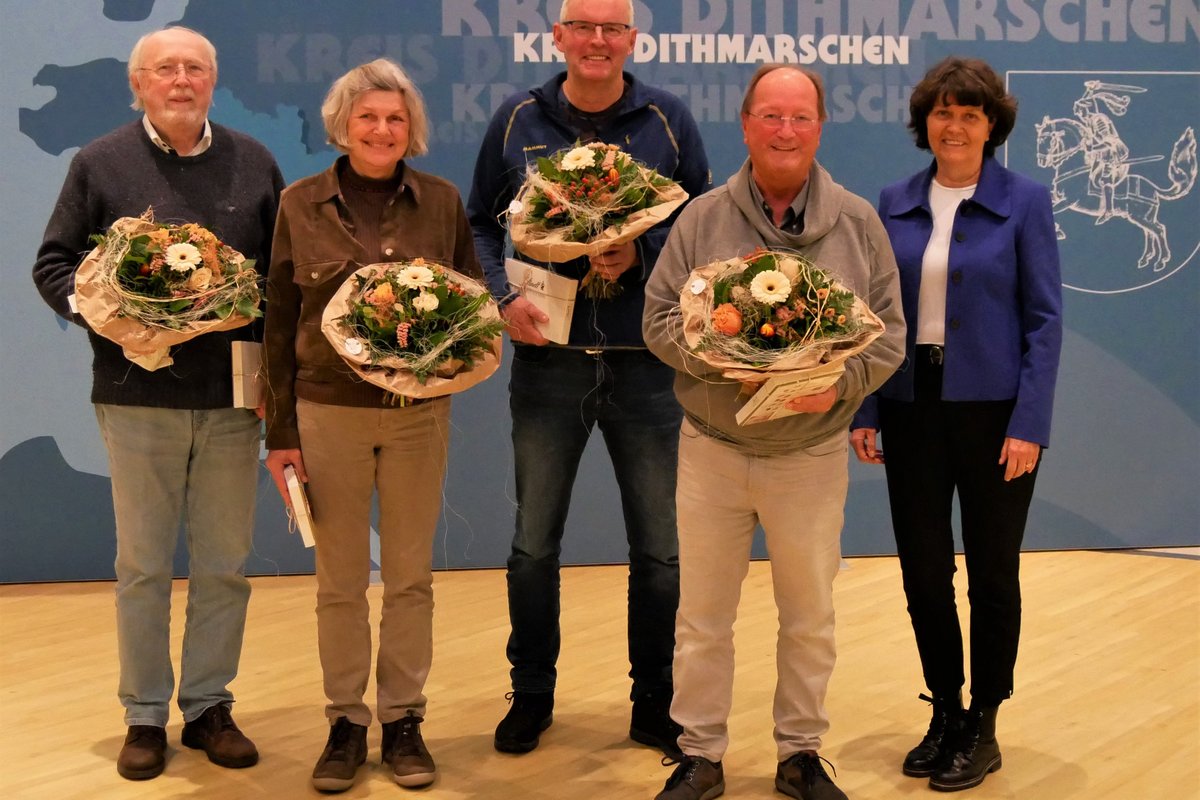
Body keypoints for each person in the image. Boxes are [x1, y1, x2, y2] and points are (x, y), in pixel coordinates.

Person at [643, 65, 906, 800]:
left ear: (819, 127)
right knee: (701, 618)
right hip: (712, 450)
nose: (784, 130)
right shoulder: (699, 219)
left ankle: (799, 754)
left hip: (809, 455)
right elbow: (659, 319)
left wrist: (837, 385)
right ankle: (699, 754)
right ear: (746, 123)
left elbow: (887, 338)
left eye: (799, 117)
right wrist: (721, 357)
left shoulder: (856, 222)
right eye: (770, 116)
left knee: (810, 617)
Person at [31, 26, 282, 782]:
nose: (181, 80)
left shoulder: (255, 161)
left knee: (224, 564)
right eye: (165, 69)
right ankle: (143, 715)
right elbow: (53, 266)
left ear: (213, 82)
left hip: (233, 397)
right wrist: (114, 319)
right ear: (138, 84)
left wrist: (254, 326)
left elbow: (279, 275)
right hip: (136, 395)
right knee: (142, 565)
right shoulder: (100, 163)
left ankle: (208, 706)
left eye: (196, 68)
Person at [465, 0, 710, 757]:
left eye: (612, 29)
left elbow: (702, 220)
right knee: (533, 544)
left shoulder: (667, 119)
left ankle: (654, 702)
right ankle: (532, 693)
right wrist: (501, 297)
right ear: (559, 37)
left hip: (647, 365)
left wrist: (643, 250)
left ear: (631, 41)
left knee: (661, 551)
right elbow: (478, 219)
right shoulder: (516, 120)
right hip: (549, 361)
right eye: (584, 26)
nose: (597, 41)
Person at [262, 58, 480, 793]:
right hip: (326, 417)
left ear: (410, 127)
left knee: (412, 577)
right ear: (343, 126)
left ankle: (405, 719)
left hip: (417, 420)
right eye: (367, 118)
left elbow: (471, 310)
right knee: (340, 581)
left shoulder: (442, 203)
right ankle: (346, 724)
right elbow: (279, 324)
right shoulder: (299, 203)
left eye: (394, 118)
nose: (381, 130)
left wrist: (442, 370)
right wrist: (280, 434)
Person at [849, 56, 1062, 793]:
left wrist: (1030, 422)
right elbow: (869, 315)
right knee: (923, 572)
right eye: (943, 112)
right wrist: (868, 404)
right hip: (911, 405)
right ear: (925, 123)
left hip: (995, 411)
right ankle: (943, 712)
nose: (955, 124)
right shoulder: (894, 200)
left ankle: (986, 722)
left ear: (992, 124)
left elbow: (1044, 320)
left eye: (970, 113)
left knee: (993, 575)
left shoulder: (1026, 202)